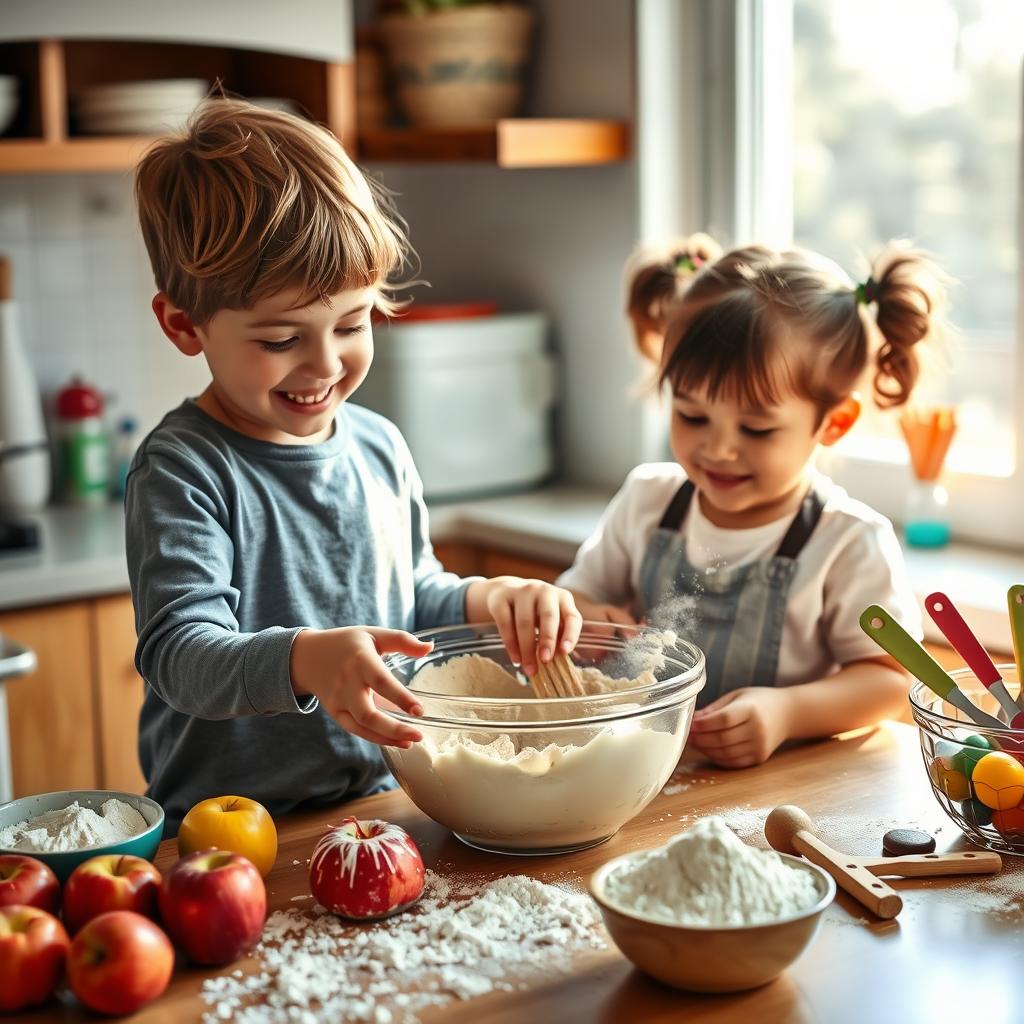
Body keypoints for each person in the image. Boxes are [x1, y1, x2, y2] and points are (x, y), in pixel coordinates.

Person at [127, 99, 581, 832]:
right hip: (234, 831)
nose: (326, 363)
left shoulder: (378, 445)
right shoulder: (185, 470)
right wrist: (307, 660)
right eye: (280, 339)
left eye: (352, 322)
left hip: (382, 804)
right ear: (185, 324)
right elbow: (182, 655)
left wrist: (490, 602)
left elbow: (410, 596)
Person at [558, 234, 944, 768]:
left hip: (779, 798)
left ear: (833, 423)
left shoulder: (847, 542)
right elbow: (569, 600)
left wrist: (787, 712)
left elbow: (889, 680)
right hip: (635, 778)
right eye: (692, 417)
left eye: (757, 428)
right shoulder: (649, 501)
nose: (717, 448)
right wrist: (583, 617)